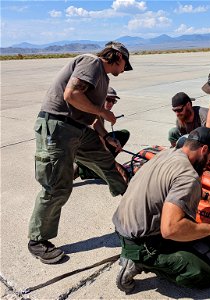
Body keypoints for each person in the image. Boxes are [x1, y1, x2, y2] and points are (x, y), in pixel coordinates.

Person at [28, 41, 133, 264]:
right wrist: (103, 111)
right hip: (58, 128)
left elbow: (92, 116)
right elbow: (72, 95)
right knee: (57, 186)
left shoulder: (102, 77)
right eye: (125, 64)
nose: (124, 69)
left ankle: (131, 198)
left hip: (77, 129)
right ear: (117, 57)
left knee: (105, 160)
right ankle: (37, 241)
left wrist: (106, 136)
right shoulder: (92, 62)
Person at [112, 127, 210, 293]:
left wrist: (207, 197)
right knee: (204, 273)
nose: (209, 162)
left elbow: (172, 184)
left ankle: (137, 254)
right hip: (140, 243)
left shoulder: (168, 154)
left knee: (192, 232)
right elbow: (171, 229)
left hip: (122, 226)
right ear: (204, 150)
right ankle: (138, 262)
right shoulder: (189, 176)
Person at [75, 86, 130, 180]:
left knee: (123, 134)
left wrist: (113, 141)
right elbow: (99, 140)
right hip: (82, 151)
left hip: (92, 147)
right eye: (108, 100)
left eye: (114, 101)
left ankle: (93, 167)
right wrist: (114, 165)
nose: (111, 103)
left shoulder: (101, 112)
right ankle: (84, 170)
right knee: (120, 174)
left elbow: (103, 135)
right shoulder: (92, 112)